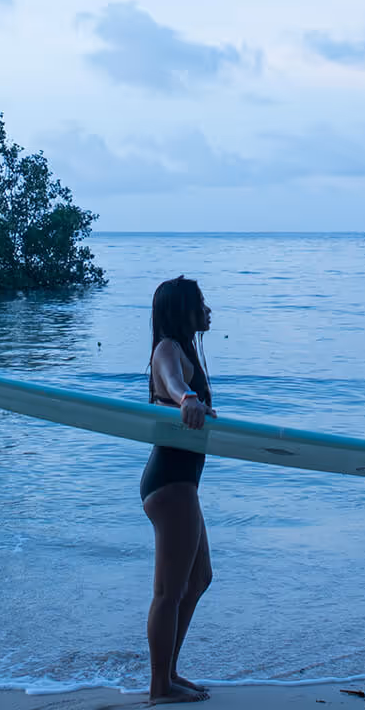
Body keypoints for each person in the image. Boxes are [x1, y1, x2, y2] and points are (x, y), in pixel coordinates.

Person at [140, 275, 216, 704]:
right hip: (170, 484)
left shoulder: (186, 348)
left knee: (200, 578)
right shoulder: (167, 348)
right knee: (169, 591)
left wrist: (202, 408)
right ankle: (159, 687)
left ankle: (168, 672)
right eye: (200, 304)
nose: (207, 310)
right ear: (180, 310)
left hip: (181, 483)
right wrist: (187, 397)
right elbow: (170, 382)